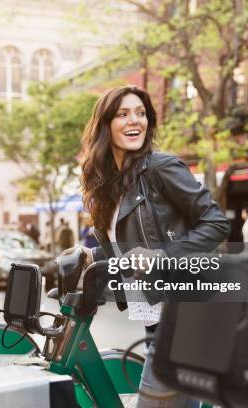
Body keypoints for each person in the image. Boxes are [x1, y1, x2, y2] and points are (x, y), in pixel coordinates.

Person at [66, 85, 230, 407]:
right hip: (158, 312)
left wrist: (162, 256)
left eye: (140, 113)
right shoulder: (110, 185)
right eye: (123, 114)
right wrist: (93, 254)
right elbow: (131, 247)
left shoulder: (159, 167)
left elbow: (216, 223)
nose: (135, 121)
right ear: (105, 124)